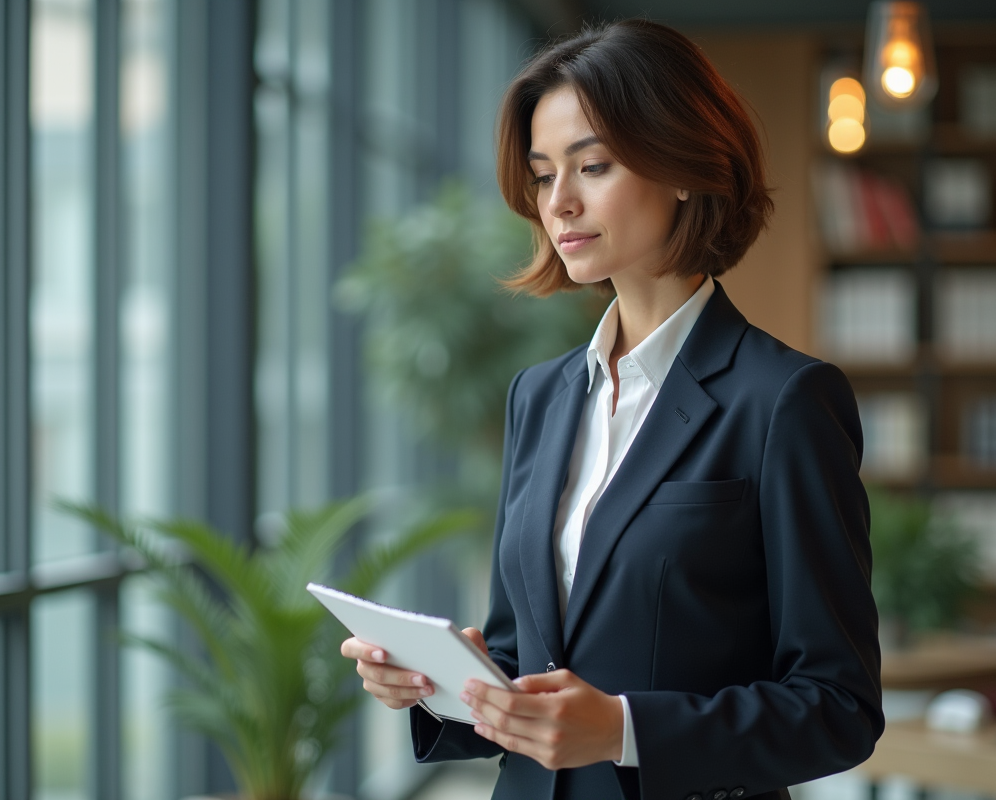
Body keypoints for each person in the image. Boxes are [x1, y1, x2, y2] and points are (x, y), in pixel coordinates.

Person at [341, 19, 884, 800]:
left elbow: (839, 708)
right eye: (541, 175)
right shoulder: (541, 394)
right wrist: (437, 683)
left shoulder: (784, 401)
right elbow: (526, 659)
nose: (559, 202)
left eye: (591, 166)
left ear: (685, 166)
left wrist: (625, 730)